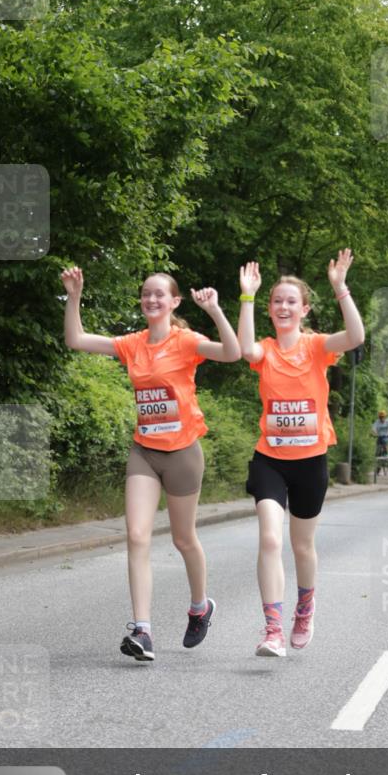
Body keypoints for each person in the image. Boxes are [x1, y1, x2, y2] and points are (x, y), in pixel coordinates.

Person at [61, 266, 240, 662]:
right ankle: (142, 630)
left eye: (160, 294)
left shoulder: (187, 341)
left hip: (182, 453)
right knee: (137, 535)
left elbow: (232, 353)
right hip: (144, 450)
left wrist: (215, 311)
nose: (151, 299)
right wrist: (74, 295)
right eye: (146, 294)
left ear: (174, 301)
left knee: (183, 539)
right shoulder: (132, 344)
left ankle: (200, 607)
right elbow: (75, 339)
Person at [238, 251, 364, 657]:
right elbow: (244, 349)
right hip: (270, 460)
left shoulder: (316, 347)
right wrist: (246, 297)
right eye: (277, 301)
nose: (283, 307)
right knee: (270, 539)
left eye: (291, 301)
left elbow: (356, 336)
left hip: (310, 461)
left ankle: (304, 609)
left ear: (304, 309)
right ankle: (273, 629)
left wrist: (340, 287)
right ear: (270, 309)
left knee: (302, 546)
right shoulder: (265, 350)